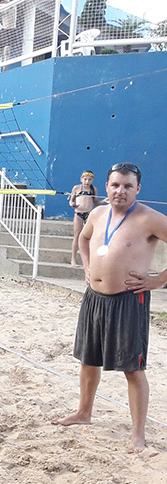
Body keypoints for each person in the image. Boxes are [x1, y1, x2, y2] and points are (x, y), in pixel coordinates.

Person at [53, 162, 167, 454]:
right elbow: (84, 238)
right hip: (94, 298)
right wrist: (87, 267)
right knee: (88, 359)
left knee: (133, 368)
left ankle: (138, 434)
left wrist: (158, 281)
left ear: (138, 189)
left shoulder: (150, 219)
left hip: (128, 300)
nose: (120, 191)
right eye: (115, 185)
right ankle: (84, 412)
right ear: (106, 187)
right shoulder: (97, 213)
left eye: (128, 186)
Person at [69, 170, 98, 266]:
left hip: (89, 214)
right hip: (78, 214)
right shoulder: (76, 188)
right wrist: (73, 205)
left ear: (92, 180)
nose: (87, 181)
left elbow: (96, 202)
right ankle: (73, 259)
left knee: (90, 237)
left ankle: (89, 260)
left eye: (89, 179)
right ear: (81, 179)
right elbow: (71, 201)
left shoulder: (93, 189)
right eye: (85, 179)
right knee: (77, 236)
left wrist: (105, 201)